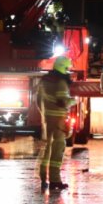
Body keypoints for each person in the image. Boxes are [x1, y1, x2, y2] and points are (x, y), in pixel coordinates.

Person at [36, 56, 76, 193]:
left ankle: (43, 179)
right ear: (62, 68)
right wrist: (74, 101)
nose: (68, 71)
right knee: (58, 149)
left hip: (48, 118)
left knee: (46, 149)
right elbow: (63, 102)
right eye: (67, 68)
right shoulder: (61, 82)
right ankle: (55, 180)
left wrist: (45, 114)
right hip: (59, 119)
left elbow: (38, 100)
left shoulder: (44, 80)